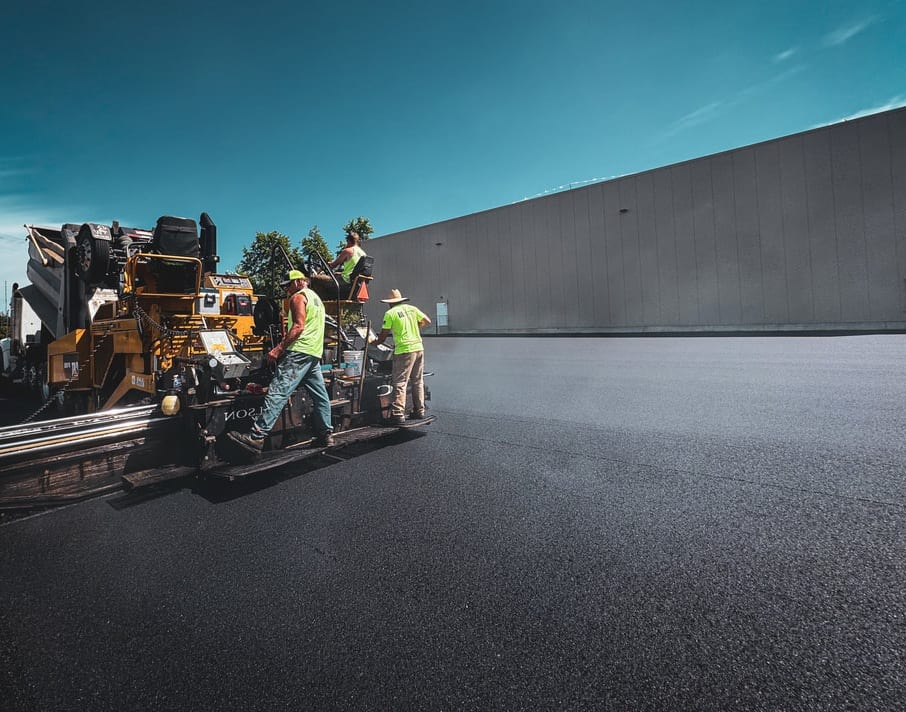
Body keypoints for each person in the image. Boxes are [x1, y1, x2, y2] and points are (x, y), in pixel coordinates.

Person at [228, 269, 334, 454]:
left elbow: (299, 327)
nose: (286, 290)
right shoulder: (317, 299)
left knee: (278, 391)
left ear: (299, 282)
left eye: (287, 285)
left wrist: (278, 349)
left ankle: (257, 436)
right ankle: (326, 435)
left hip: (299, 352)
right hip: (313, 353)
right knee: (320, 396)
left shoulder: (298, 298)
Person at [372, 288, 431, 425]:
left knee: (400, 382)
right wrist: (415, 326)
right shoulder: (412, 309)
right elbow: (427, 320)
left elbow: (383, 336)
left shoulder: (390, 314)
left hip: (404, 350)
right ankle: (419, 410)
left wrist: (374, 343)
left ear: (390, 303)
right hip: (418, 348)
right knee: (417, 381)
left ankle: (398, 414)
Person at [310, 230, 366, 300]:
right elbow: (353, 270)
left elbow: (333, 265)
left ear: (348, 241)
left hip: (345, 282)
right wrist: (338, 273)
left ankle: (324, 302)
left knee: (316, 279)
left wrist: (328, 263)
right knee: (336, 274)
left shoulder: (348, 251)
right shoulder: (363, 253)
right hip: (355, 282)